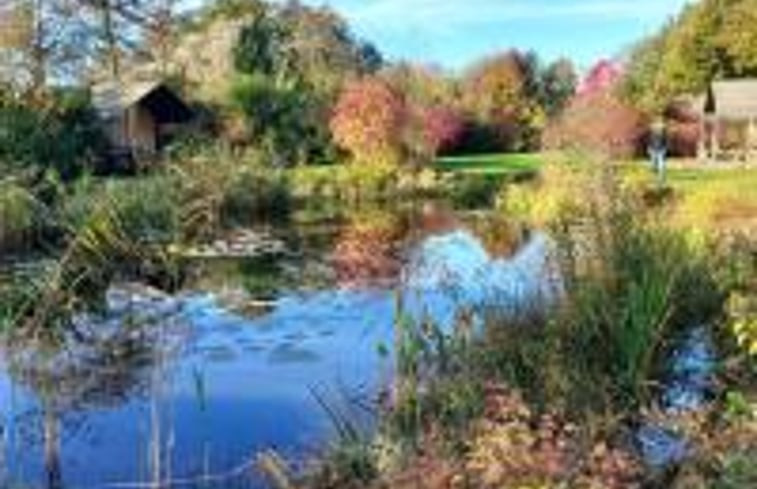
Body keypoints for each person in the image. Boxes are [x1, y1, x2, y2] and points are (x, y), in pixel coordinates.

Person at [648, 119, 667, 185]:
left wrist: (664, 149)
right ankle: (654, 178)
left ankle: (661, 179)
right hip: (653, 150)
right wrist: (649, 149)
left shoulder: (663, 133)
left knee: (661, 165)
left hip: (660, 150)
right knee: (653, 165)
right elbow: (650, 141)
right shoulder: (652, 134)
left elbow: (665, 142)